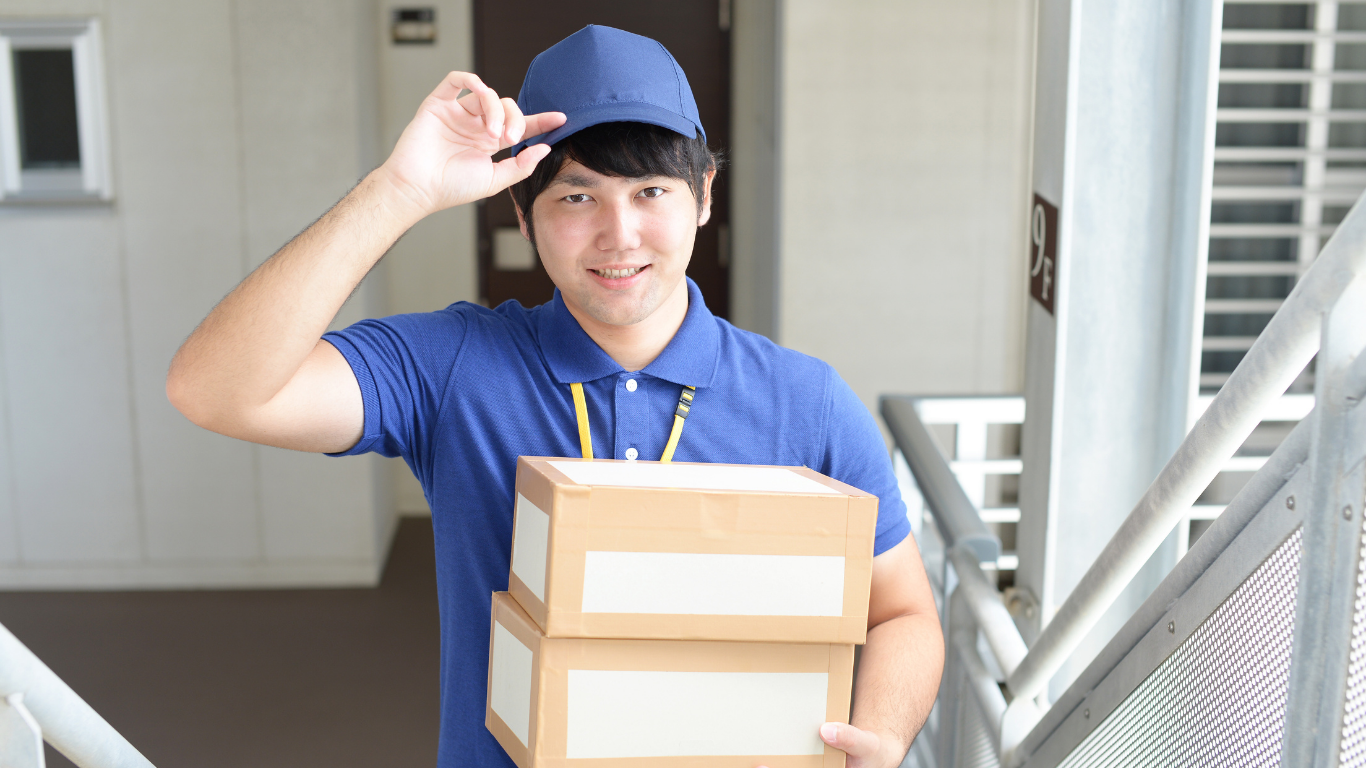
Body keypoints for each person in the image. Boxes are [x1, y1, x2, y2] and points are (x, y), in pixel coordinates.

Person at [167, 24, 943, 768]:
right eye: (576, 197)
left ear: (705, 193)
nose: (619, 235)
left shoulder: (805, 400)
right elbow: (217, 392)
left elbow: (903, 611)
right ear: (521, 209)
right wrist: (399, 190)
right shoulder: (453, 367)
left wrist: (879, 732)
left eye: (650, 190)